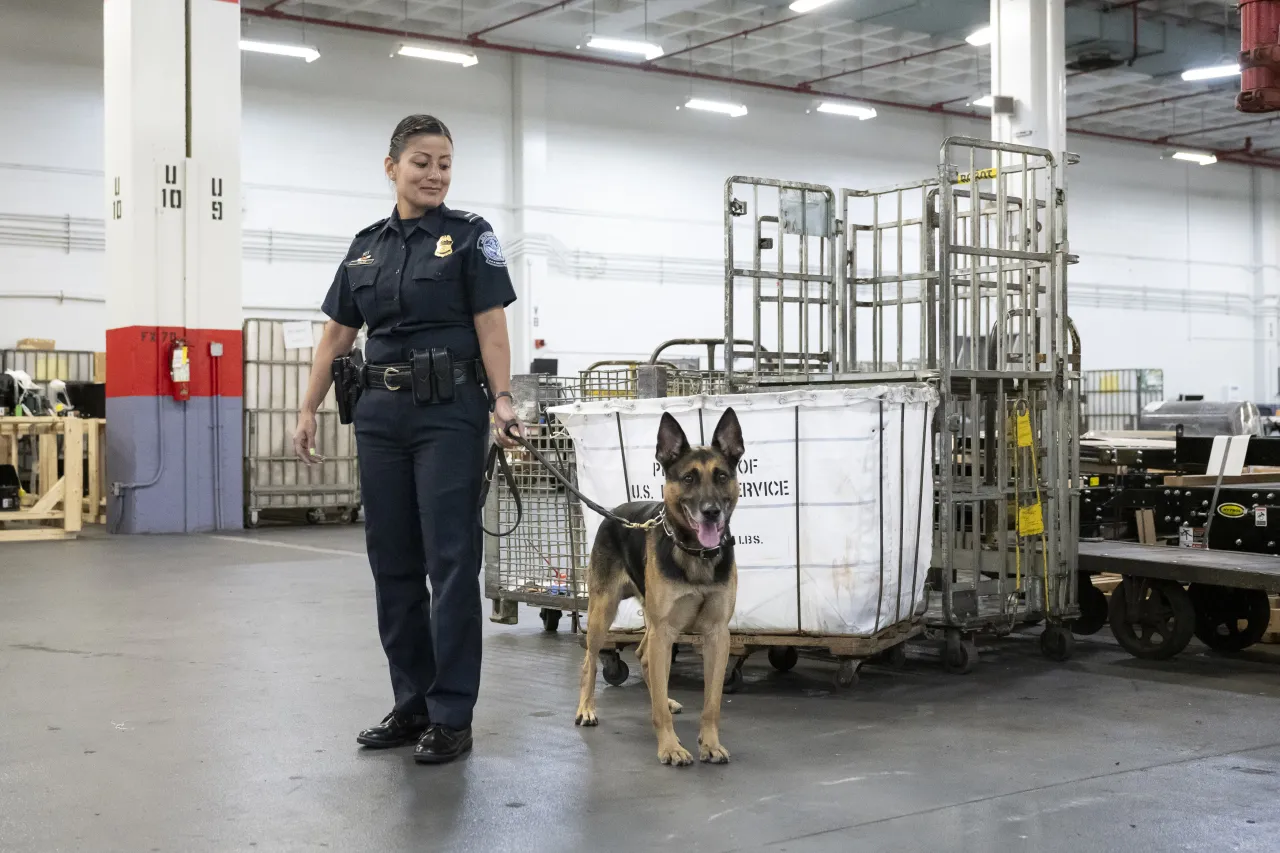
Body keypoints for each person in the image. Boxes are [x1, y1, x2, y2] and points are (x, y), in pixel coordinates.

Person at [292, 114, 521, 765]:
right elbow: (338, 334)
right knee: (391, 560)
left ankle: (452, 711)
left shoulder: (470, 237)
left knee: (450, 562)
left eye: (445, 162)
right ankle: (412, 699)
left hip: (448, 413)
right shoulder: (367, 246)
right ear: (391, 166)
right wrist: (307, 407)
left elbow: (491, 327)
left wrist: (501, 399)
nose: (435, 173)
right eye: (422, 161)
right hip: (379, 416)